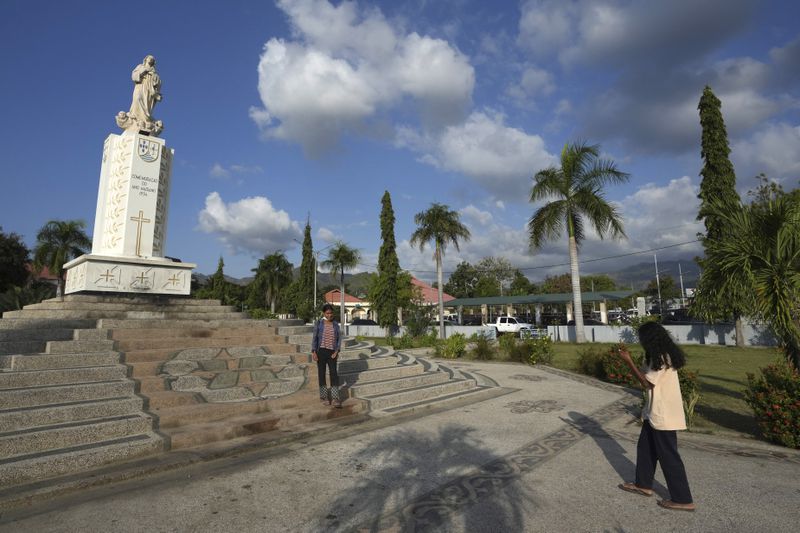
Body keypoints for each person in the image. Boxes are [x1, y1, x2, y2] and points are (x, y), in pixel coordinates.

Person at [617, 322, 696, 512]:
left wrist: (628, 362)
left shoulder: (662, 358)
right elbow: (648, 375)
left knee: (669, 456)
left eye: (642, 337)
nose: (640, 341)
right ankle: (643, 484)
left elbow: (647, 383)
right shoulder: (659, 356)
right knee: (646, 448)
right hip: (655, 413)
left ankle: (683, 499)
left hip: (664, 415)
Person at [311, 304, 342, 408]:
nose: (330, 315)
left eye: (331, 313)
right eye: (327, 313)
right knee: (322, 374)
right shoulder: (319, 323)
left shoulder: (335, 324)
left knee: (334, 374)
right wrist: (314, 352)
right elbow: (315, 338)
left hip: (332, 353)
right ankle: (324, 397)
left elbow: (339, 339)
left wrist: (336, 351)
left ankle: (335, 398)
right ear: (324, 313)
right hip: (321, 352)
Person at [129, 55, 162, 125]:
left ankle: (145, 119)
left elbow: (158, 82)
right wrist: (144, 71)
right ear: (146, 59)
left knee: (147, 104)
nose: (151, 59)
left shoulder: (154, 72)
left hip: (149, 90)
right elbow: (134, 76)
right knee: (137, 98)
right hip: (141, 85)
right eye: (150, 58)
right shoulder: (140, 66)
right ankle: (135, 117)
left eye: (153, 59)